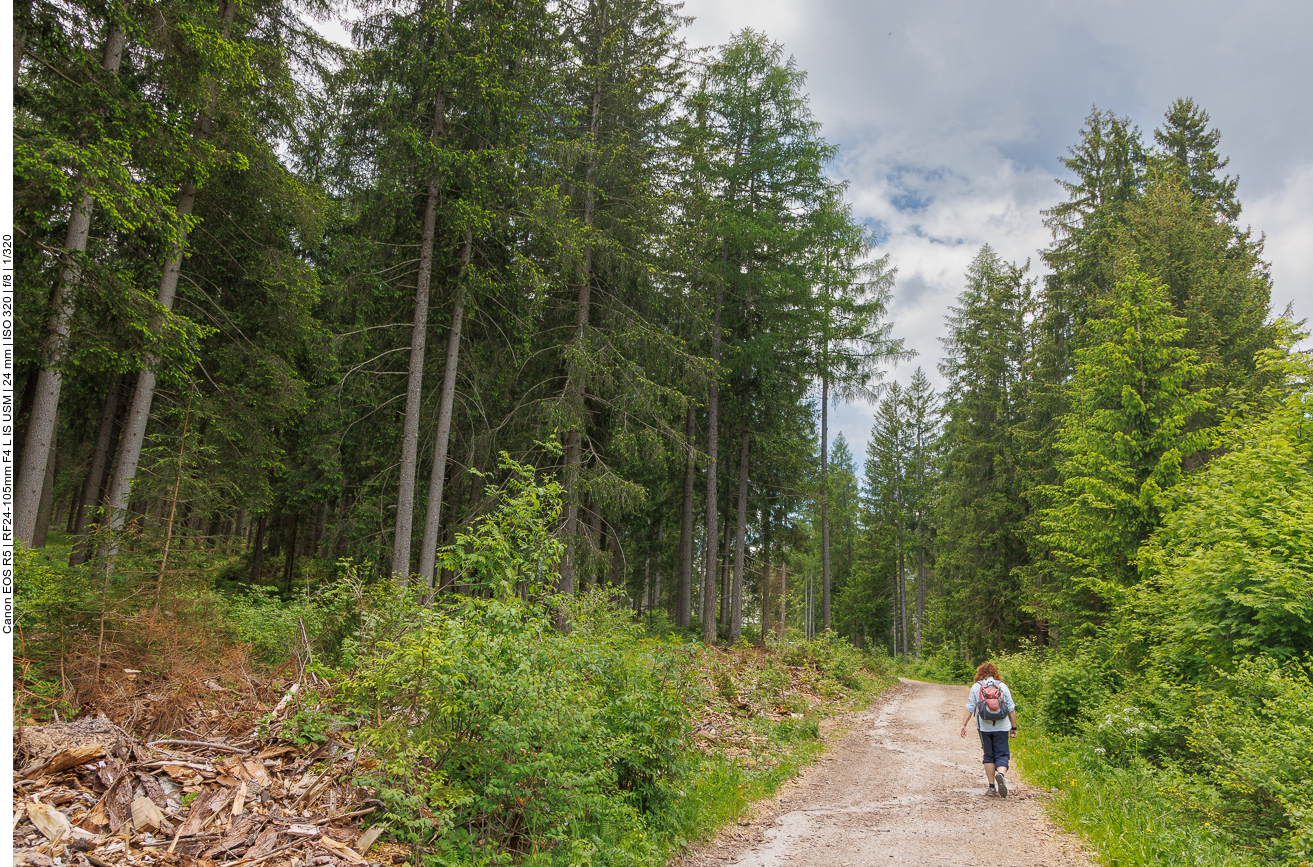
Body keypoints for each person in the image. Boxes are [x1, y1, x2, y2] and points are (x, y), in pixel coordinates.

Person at [959, 661, 1017, 797]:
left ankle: (991, 787)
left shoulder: (976, 687)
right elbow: (1011, 708)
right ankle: (1001, 774)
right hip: (1002, 726)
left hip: (984, 727)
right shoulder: (1002, 686)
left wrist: (963, 724)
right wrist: (1013, 727)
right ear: (995, 673)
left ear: (980, 674)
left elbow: (970, 707)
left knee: (988, 755)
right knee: (1002, 754)